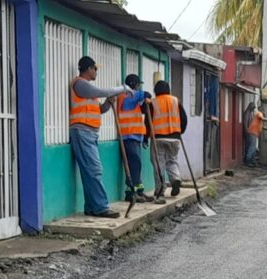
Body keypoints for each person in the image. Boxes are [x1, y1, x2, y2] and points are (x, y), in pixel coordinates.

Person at [69, 56, 132, 218]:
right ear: (88, 69)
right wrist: (122, 88)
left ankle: (91, 207)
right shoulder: (80, 84)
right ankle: (102, 207)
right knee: (94, 170)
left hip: (89, 132)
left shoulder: (88, 89)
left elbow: (100, 110)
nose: (96, 72)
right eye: (95, 69)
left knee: (89, 171)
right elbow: (103, 91)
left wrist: (108, 103)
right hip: (82, 131)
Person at [149, 80, 189, 203]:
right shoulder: (175, 101)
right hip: (175, 137)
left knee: (158, 163)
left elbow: (148, 121)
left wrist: (146, 136)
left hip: (158, 137)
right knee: (172, 160)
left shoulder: (153, 102)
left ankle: (160, 189)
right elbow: (184, 118)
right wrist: (180, 131)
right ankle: (175, 178)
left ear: (156, 91)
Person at [117, 74, 153, 204]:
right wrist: (145, 97)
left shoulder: (131, 98)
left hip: (135, 136)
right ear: (133, 85)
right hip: (128, 135)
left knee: (137, 165)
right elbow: (146, 94)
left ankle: (139, 190)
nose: (139, 88)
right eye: (138, 85)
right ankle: (131, 192)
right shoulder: (126, 96)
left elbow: (142, 105)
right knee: (134, 164)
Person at [244, 102, 265, 167]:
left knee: (252, 147)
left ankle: (252, 160)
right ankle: (248, 160)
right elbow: (245, 123)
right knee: (251, 147)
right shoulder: (258, 114)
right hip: (251, 132)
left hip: (253, 132)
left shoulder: (252, 113)